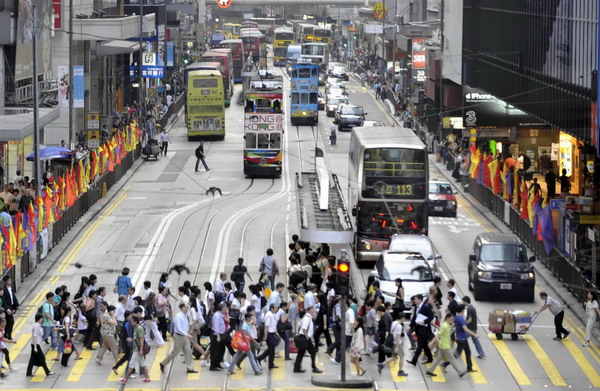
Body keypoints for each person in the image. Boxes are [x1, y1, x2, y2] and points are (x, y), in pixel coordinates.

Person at [426, 313, 467, 378]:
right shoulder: (444, 326)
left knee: (437, 359)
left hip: (443, 346)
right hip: (445, 346)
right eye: (451, 319)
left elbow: (452, 326)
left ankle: (430, 371)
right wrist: (432, 343)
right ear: (448, 318)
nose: (452, 320)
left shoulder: (448, 325)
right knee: (452, 359)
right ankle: (460, 372)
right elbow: (438, 334)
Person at [160, 303, 196, 375]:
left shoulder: (186, 315)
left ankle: (190, 368)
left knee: (188, 351)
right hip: (179, 337)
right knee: (174, 353)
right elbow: (179, 328)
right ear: (182, 307)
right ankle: (163, 363)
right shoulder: (178, 316)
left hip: (185, 336)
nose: (187, 308)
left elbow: (186, 325)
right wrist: (187, 334)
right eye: (186, 307)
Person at [442, 304, 478, 372]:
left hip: (463, 338)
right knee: (456, 355)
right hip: (461, 339)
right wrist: (474, 334)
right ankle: (444, 364)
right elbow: (466, 329)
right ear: (463, 310)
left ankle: (469, 367)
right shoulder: (460, 318)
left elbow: (453, 326)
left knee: (468, 352)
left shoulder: (457, 317)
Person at [119, 316, 151, 383]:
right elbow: (137, 338)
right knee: (143, 364)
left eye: (132, 322)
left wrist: (141, 349)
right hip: (137, 348)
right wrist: (132, 339)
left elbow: (141, 339)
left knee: (131, 363)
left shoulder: (139, 328)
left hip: (138, 349)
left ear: (136, 322)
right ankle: (147, 378)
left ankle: (125, 378)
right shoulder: (136, 328)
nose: (131, 323)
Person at [293, 306, 323, 374]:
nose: (315, 312)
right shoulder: (307, 318)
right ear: (311, 311)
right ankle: (314, 367)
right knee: (313, 351)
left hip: (304, 337)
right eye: (314, 310)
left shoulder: (308, 317)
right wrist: (307, 338)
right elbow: (304, 329)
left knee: (301, 353)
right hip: (305, 337)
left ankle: (296, 368)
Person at [377, 311, 408, 377]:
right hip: (397, 344)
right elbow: (397, 336)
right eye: (404, 318)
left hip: (392, 343)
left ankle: (382, 364)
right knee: (402, 356)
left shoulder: (393, 323)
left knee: (394, 357)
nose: (404, 320)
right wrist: (397, 346)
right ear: (402, 318)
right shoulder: (399, 326)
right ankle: (400, 371)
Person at [406, 294, 434, 366]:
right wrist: (410, 326)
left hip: (424, 329)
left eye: (415, 299)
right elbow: (414, 317)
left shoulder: (426, 307)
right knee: (424, 345)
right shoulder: (416, 307)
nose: (414, 301)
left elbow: (431, 317)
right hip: (418, 328)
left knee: (420, 345)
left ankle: (414, 361)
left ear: (420, 300)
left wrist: (424, 322)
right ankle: (430, 359)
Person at [256, 303, 280, 369]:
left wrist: (276, 332)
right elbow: (266, 326)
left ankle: (259, 358)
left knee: (270, 349)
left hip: (272, 333)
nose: (277, 309)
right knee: (271, 350)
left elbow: (273, 325)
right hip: (269, 335)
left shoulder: (272, 314)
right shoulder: (269, 315)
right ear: (272, 308)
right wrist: (266, 336)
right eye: (275, 307)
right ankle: (271, 364)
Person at [209, 302, 228, 371]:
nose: (226, 310)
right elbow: (216, 327)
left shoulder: (221, 315)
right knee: (215, 351)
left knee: (221, 350)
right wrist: (218, 336)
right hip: (216, 335)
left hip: (221, 335)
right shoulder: (217, 316)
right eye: (225, 309)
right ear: (221, 309)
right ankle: (213, 366)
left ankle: (218, 363)